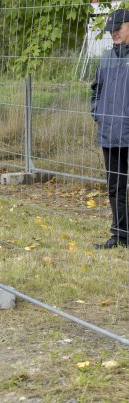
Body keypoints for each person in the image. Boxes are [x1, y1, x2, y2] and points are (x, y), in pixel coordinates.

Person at [91, 8, 129, 249]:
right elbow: (96, 89)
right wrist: (98, 114)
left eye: (118, 28)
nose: (114, 33)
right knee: (115, 186)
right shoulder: (105, 58)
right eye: (111, 30)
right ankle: (120, 235)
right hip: (111, 134)